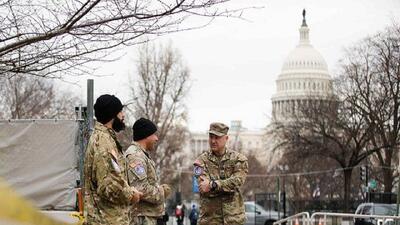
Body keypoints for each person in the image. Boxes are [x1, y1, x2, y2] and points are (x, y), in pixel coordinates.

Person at [83, 94, 142, 225]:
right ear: (112, 115)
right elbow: (110, 186)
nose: (123, 115)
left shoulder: (105, 138)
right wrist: (132, 195)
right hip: (105, 220)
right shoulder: (104, 142)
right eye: (120, 111)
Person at [193, 122, 249, 225]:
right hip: (210, 220)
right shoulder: (200, 162)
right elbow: (204, 188)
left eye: (217, 137)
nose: (213, 141)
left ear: (226, 138)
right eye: (211, 137)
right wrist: (227, 186)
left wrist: (213, 185)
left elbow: (237, 182)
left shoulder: (239, 160)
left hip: (234, 220)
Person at [125, 118, 172, 225]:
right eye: (154, 134)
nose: (156, 138)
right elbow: (141, 188)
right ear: (146, 135)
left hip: (147, 216)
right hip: (141, 218)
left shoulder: (142, 154)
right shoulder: (136, 156)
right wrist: (162, 192)